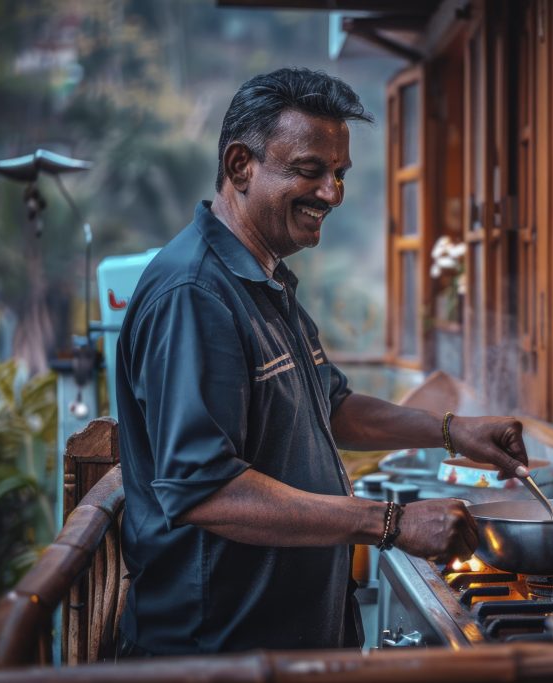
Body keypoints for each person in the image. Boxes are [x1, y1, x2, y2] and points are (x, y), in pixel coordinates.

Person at [113, 67, 530, 657]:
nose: (331, 194)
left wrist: (453, 431)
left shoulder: (265, 279)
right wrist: (390, 522)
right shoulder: (196, 295)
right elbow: (204, 491)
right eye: (310, 171)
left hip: (284, 641)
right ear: (240, 166)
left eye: (338, 174)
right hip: (217, 652)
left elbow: (331, 405)